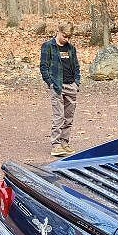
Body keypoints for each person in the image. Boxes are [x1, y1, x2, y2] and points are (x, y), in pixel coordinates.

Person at [40, 21, 80, 157]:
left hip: (71, 86)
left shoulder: (71, 48)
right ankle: (56, 145)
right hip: (57, 85)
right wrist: (50, 83)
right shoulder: (48, 46)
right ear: (58, 31)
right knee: (59, 116)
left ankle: (64, 143)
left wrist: (77, 83)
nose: (66, 39)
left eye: (69, 37)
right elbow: (43, 67)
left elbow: (76, 66)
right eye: (64, 36)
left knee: (69, 117)